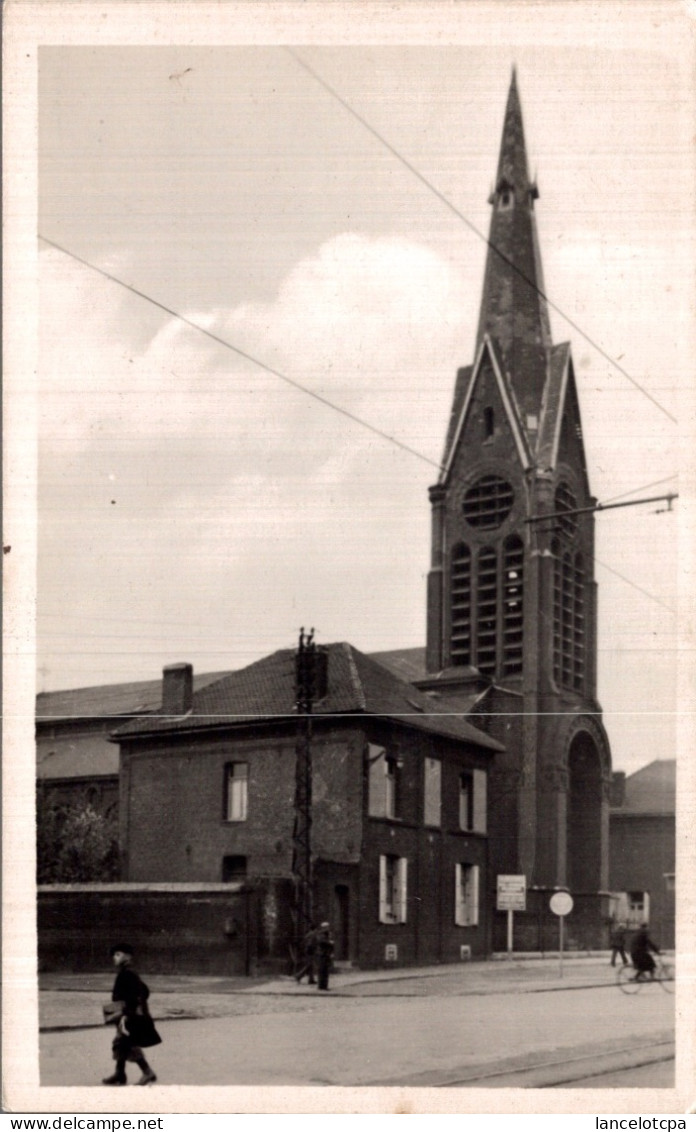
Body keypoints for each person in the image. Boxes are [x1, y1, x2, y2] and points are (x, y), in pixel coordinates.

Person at [102, 943, 161, 1086]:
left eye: (118, 954)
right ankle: (120, 1074)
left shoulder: (128, 973)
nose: (114, 958)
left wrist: (127, 1013)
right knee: (121, 1042)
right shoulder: (127, 972)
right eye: (114, 955)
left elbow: (138, 994)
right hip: (127, 1013)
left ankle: (147, 1072)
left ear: (127, 956)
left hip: (129, 1015)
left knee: (128, 1043)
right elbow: (144, 991)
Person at [316, 921, 334, 992]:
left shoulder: (327, 934)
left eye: (328, 927)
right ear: (324, 927)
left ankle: (325, 986)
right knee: (322, 970)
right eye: (327, 927)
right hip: (322, 954)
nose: (328, 928)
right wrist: (329, 942)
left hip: (326, 954)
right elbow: (321, 942)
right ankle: (321, 986)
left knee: (325, 971)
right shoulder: (321, 934)